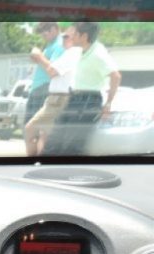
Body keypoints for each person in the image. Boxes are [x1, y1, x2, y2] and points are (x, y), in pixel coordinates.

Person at [44, 22, 122, 156]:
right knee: (54, 141)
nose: (71, 37)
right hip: (74, 98)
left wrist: (108, 104)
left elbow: (116, 76)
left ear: (84, 36)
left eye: (74, 34)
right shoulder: (80, 50)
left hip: (88, 101)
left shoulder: (98, 54)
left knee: (72, 146)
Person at [24, 26, 82, 156]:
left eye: (66, 36)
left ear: (76, 38)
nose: (63, 39)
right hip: (55, 97)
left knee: (30, 129)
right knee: (44, 135)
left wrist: (39, 56)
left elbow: (52, 71)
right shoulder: (69, 52)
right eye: (63, 36)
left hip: (59, 98)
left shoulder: (74, 52)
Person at [24, 23, 64, 128]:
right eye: (41, 32)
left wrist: (39, 56)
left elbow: (54, 69)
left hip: (44, 88)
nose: (43, 35)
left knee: (33, 128)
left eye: (45, 31)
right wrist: (37, 59)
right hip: (38, 88)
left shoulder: (59, 45)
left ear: (55, 28)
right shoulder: (51, 44)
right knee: (30, 126)